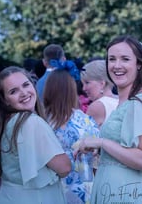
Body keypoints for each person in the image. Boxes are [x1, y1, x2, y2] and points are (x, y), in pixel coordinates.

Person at [77, 35, 142, 203]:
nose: (117, 65)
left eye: (125, 59)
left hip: (127, 193)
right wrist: (100, 150)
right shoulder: (124, 102)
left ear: (138, 64)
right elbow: (125, 147)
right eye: (112, 59)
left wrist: (102, 143)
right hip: (111, 188)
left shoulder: (140, 102)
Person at [0, 66, 71, 204]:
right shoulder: (31, 123)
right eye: (14, 91)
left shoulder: (7, 122)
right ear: (5, 100)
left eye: (26, 85)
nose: (24, 93)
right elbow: (64, 168)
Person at [43, 66, 100, 204]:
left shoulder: (42, 122)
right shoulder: (86, 121)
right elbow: (97, 158)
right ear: (72, 91)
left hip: (52, 188)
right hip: (83, 188)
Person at [81, 60, 118, 126]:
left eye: (87, 83)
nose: (84, 88)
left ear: (102, 83)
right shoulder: (120, 100)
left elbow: (86, 134)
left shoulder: (97, 106)